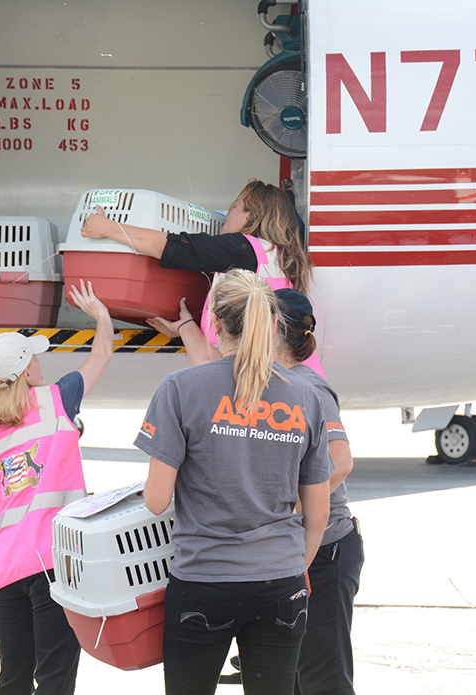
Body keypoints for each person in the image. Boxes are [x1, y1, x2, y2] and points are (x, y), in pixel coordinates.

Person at [134, 269, 332, 695]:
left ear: (216, 324)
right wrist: (292, 568)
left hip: (205, 580)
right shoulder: (306, 396)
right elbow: (318, 513)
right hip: (281, 582)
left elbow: (155, 500)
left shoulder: (180, 388)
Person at [0, 279, 114, 695]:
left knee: (13, 681)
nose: (39, 363)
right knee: (54, 680)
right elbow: (101, 354)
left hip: (5, 570)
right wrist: (102, 315)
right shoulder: (56, 401)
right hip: (54, 564)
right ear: (25, 371)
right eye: (33, 358)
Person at [80, 179, 320, 372]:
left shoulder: (245, 249)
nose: (228, 215)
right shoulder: (276, 260)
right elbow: (219, 363)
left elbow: (180, 249)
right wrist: (185, 327)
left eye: (234, 207)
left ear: (248, 216)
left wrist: (108, 228)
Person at [271, 288, 363, 695]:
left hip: (325, 552)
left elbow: (340, 463)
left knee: (323, 681)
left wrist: (285, 508)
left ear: (272, 328)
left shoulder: (309, 386)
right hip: (289, 551)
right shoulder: (273, 380)